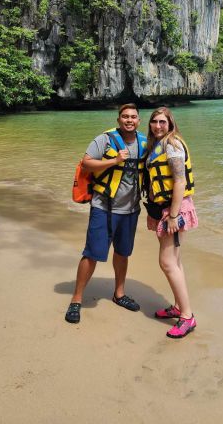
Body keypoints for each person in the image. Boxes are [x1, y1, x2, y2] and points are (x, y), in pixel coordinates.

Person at [65, 103, 147, 324]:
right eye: (125, 117)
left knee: (123, 252)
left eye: (133, 117)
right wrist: (115, 160)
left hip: (130, 210)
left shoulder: (144, 142)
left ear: (139, 120)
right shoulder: (105, 139)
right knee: (92, 253)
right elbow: (86, 163)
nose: (129, 120)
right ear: (118, 120)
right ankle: (76, 299)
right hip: (104, 207)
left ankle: (119, 293)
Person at [145, 106, 198, 339]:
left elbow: (179, 182)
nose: (158, 126)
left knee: (166, 263)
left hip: (173, 210)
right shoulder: (157, 145)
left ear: (170, 124)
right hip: (163, 209)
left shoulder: (172, 144)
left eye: (162, 122)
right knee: (174, 261)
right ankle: (178, 306)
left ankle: (187, 316)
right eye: (154, 122)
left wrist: (173, 215)